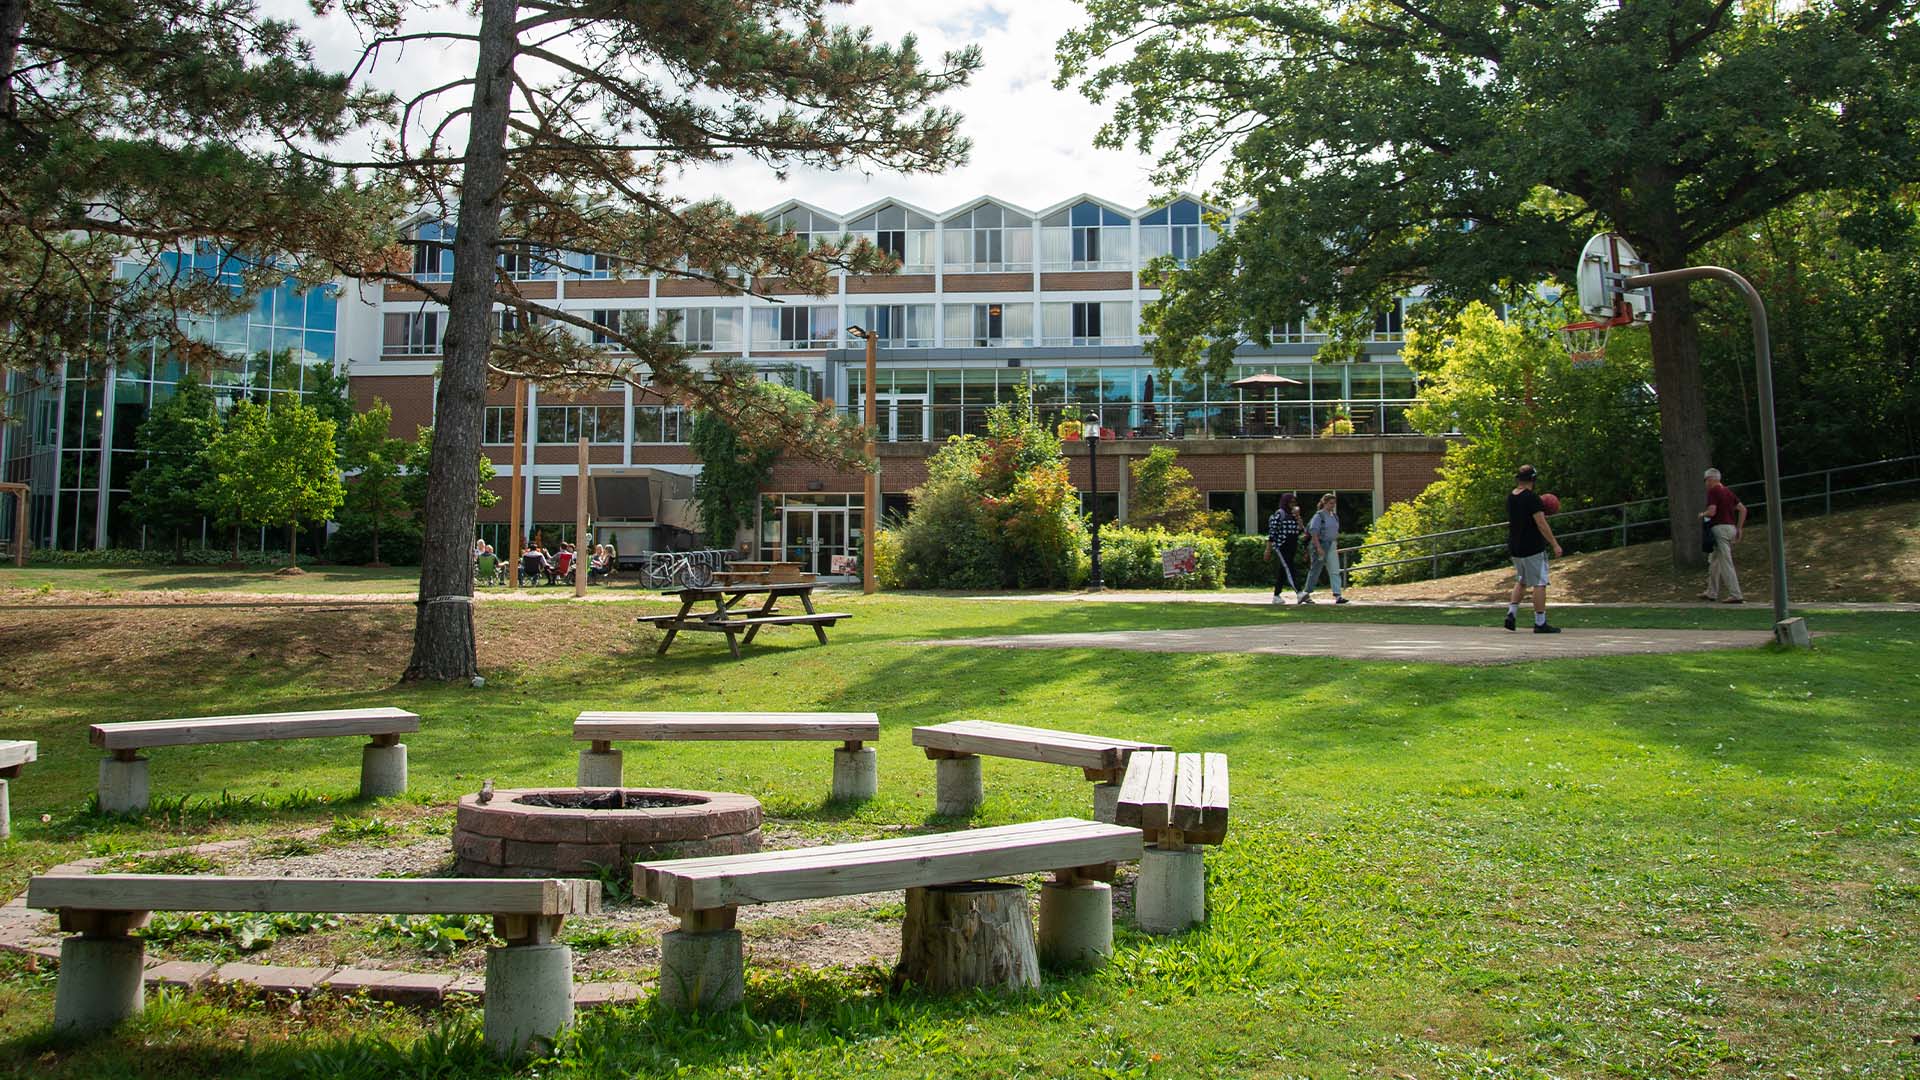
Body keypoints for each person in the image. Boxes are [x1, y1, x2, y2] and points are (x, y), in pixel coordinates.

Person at [1505, 464, 1564, 633]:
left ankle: (1511, 614)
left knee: (1522, 580)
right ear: (1533, 479)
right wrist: (1554, 543)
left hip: (1515, 545)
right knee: (1540, 582)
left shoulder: (1511, 496)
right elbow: (1541, 523)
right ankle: (1540, 622)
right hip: (1532, 546)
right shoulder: (1532, 498)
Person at [1699, 467, 1747, 604]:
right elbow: (1743, 509)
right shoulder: (1728, 492)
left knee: (1725, 562)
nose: (1706, 484)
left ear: (1710, 479)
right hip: (1731, 528)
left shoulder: (1713, 491)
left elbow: (1712, 512)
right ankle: (1711, 592)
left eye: (1706, 480)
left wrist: (1702, 514)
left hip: (1719, 529)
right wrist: (1739, 528)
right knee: (1714, 561)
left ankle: (1736, 594)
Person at [1299, 493, 1349, 604]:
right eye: (1331, 503)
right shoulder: (1319, 516)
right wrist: (1318, 547)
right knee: (1316, 570)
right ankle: (1306, 593)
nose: (1333, 505)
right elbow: (1314, 532)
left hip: (1332, 545)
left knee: (1335, 570)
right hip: (1321, 544)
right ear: (1324, 503)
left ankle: (1338, 595)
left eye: (1334, 503)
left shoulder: (1334, 516)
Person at [1264, 493, 1303, 603]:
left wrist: (1298, 517)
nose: (1292, 505)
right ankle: (1299, 591)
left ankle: (1276, 595)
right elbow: (1272, 532)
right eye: (1290, 502)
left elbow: (1300, 529)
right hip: (1282, 545)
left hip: (1292, 544)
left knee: (1284, 569)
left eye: (1294, 502)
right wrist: (1268, 549)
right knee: (1289, 568)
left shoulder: (1294, 515)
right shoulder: (1280, 514)